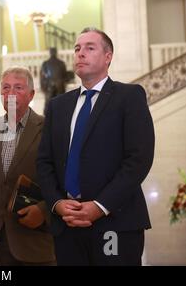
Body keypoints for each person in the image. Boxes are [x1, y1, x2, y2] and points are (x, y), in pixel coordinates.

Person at [36, 28, 155, 265]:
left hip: (115, 224)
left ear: (108, 56)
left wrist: (100, 206)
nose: (80, 54)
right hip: (67, 227)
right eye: (77, 49)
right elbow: (44, 162)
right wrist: (57, 203)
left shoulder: (129, 96)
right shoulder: (58, 106)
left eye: (90, 48)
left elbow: (138, 159)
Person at [0, 67, 55, 266]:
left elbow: (64, 180)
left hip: (37, 241)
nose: (10, 94)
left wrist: (44, 211)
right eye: (6, 88)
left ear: (32, 94)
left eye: (18, 88)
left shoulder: (50, 129)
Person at [40, 47, 69, 115]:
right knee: (61, 104)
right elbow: (65, 76)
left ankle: (48, 116)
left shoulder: (45, 63)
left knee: (48, 105)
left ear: (50, 53)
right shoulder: (61, 63)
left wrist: (43, 87)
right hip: (60, 85)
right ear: (56, 53)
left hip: (49, 86)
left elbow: (42, 77)